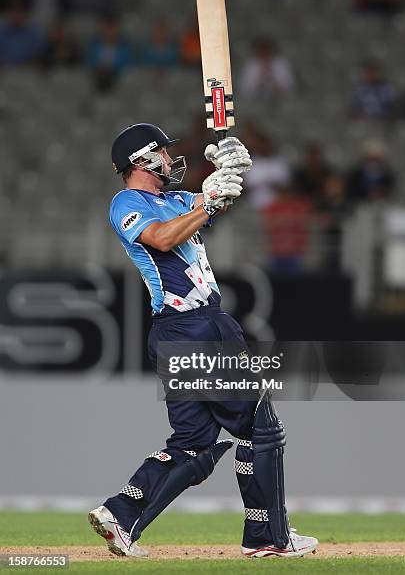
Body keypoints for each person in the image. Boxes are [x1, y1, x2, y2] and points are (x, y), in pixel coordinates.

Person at [88, 123, 318, 559]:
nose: (172, 159)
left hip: (181, 331)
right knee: (260, 427)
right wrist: (209, 202)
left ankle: (121, 515)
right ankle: (269, 536)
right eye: (163, 153)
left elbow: (208, 202)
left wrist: (230, 172)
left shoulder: (172, 201)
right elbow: (161, 237)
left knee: (195, 444)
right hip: (195, 328)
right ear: (141, 160)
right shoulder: (127, 203)